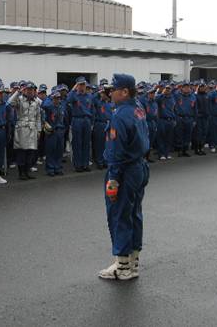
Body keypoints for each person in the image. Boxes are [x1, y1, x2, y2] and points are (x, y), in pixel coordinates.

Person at [99, 74, 149, 281]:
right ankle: (133, 262)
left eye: (114, 90)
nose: (110, 93)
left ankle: (122, 267)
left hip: (125, 170)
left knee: (119, 215)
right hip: (139, 166)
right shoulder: (137, 108)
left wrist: (113, 179)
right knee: (134, 214)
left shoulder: (119, 115)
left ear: (125, 91)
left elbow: (116, 151)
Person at [8, 82, 42, 180]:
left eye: (32, 90)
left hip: (32, 128)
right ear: (24, 90)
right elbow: (10, 102)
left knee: (31, 152)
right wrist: (18, 92)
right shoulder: (19, 99)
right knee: (22, 152)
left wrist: (39, 130)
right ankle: (21, 173)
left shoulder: (36, 102)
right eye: (28, 89)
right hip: (22, 128)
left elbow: (38, 117)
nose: (30, 91)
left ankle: (27, 171)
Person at [67, 76, 94, 172]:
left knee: (86, 143)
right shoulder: (74, 95)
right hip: (77, 120)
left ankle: (85, 164)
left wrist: (92, 123)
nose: (82, 86)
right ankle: (78, 165)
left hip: (87, 120)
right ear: (77, 85)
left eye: (84, 84)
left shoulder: (89, 96)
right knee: (77, 143)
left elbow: (92, 109)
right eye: (80, 84)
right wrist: (74, 89)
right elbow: (68, 100)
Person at [42, 89, 66, 176]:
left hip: (60, 130)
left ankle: (58, 167)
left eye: (58, 98)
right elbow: (43, 107)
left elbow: (65, 119)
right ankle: (50, 169)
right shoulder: (48, 107)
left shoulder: (62, 107)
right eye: (55, 98)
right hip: (52, 131)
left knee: (59, 151)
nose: (57, 100)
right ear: (52, 98)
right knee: (50, 151)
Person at [93, 85, 114, 169]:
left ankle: (106, 161)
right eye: (102, 93)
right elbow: (92, 98)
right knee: (99, 144)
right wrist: (99, 92)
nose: (103, 95)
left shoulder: (111, 103)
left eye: (105, 93)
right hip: (100, 124)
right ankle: (99, 161)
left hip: (109, 124)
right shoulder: (98, 102)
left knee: (108, 145)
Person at [174, 81, 197, 157]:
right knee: (180, 135)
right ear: (182, 88)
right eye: (185, 87)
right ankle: (180, 150)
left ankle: (185, 150)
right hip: (180, 118)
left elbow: (195, 109)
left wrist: (195, 120)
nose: (187, 88)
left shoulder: (193, 96)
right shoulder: (177, 95)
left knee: (188, 135)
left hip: (190, 118)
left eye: (188, 87)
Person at [156, 84, 176, 160]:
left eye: (169, 89)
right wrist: (161, 93)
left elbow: (173, 109)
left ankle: (167, 153)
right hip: (162, 119)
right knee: (161, 137)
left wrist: (174, 119)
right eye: (166, 89)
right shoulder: (160, 97)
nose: (167, 90)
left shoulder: (172, 98)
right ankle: (161, 154)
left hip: (170, 119)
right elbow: (155, 98)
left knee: (169, 138)